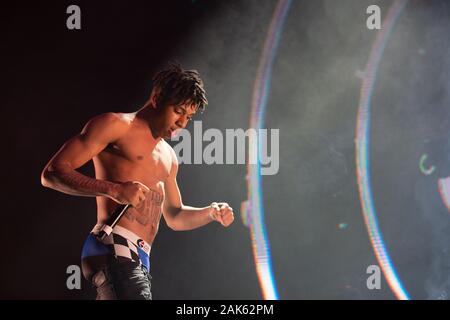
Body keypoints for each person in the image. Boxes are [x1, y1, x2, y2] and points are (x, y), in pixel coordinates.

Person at [41, 62, 234, 300]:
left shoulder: (169, 157)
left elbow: (174, 215)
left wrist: (210, 213)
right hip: (114, 246)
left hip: (140, 258)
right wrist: (114, 190)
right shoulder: (116, 125)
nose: (183, 123)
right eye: (178, 111)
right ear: (156, 98)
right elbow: (52, 173)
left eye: (189, 116)